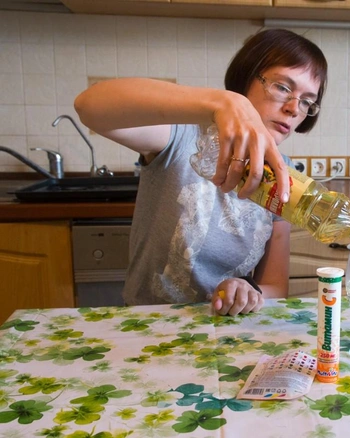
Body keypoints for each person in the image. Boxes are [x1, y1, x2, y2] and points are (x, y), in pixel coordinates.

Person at [74, 29, 328, 316]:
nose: (294, 108)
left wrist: (248, 292)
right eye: (282, 87)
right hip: (150, 328)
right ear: (245, 80)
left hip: (227, 332)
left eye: (307, 101)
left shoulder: (284, 175)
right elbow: (89, 106)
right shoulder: (182, 137)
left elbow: (275, 287)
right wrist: (223, 103)